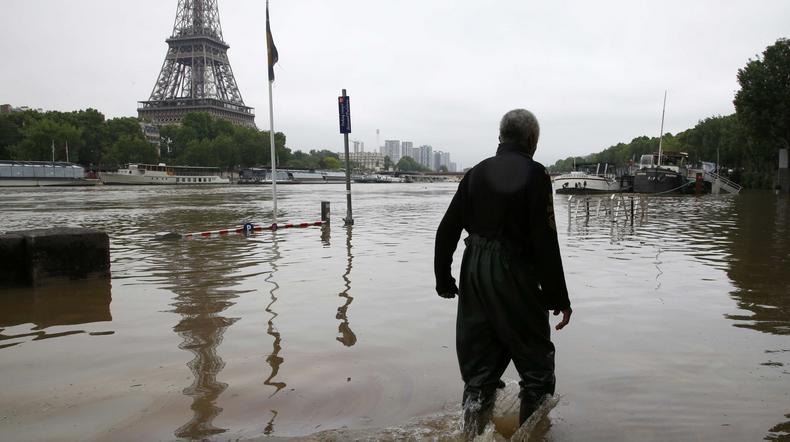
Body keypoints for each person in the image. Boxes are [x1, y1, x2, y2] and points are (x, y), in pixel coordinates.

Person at [433, 109, 572, 436]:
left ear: (500, 137)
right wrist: (558, 297)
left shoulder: (475, 174)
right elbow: (544, 241)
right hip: (512, 272)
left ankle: (469, 435)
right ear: (531, 140)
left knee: (478, 374)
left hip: (473, 270)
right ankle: (531, 436)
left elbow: (446, 230)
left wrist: (444, 279)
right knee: (537, 370)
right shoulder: (536, 174)